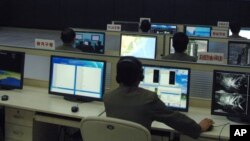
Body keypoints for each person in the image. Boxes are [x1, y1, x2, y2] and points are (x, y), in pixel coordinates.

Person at [104, 56, 214, 139]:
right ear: (140, 76)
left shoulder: (107, 98)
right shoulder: (148, 99)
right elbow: (175, 119)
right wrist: (198, 128)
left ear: (117, 76)